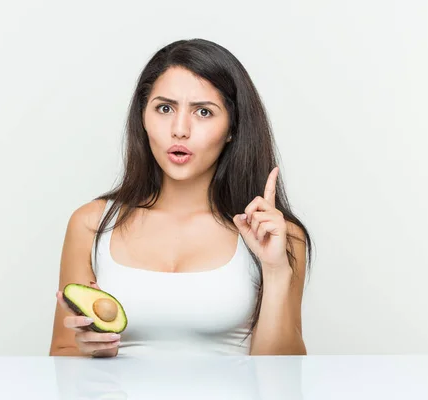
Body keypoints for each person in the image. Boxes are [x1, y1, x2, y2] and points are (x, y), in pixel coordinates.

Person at [49, 38, 314, 358]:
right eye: (164, 108)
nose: (180, 129)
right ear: (142, 117)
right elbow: (63, 354)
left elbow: (283, 377)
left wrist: (275, 270)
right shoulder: (91, 224)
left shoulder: (277, 235)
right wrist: (92, 351)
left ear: (232, 127)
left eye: (203, 111)